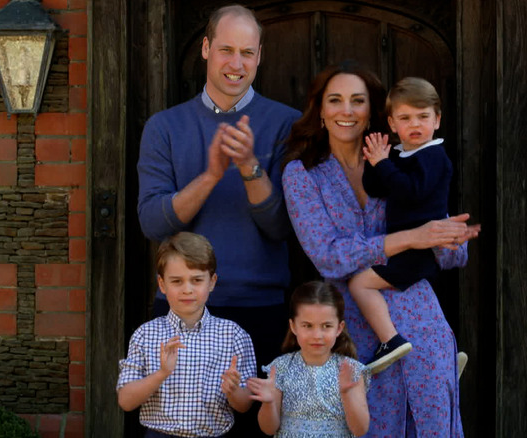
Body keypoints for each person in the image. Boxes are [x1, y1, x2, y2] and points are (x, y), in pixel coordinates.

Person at [281, 61, 478, 437]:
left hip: (421, 318)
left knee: (432, 424)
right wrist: (409, 238)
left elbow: (449, 249)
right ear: (320, 111)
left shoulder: (403, 159)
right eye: (335, 100)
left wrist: (450, 239)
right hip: (352, 325)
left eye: (358, 101)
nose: (347, 110)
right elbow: (328, 255)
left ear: (372, 111)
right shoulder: (303, 174)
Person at [136, 5, 300, 436]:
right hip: (182, 312)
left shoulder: (288, 125)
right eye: (226, 49)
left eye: (247, 52)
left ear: (260, 56)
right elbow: (153, 223)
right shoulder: (164, 127)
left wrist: (248, 167)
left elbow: (285, 226)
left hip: (260, 311)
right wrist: (210, 175)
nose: (236, 63)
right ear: (206, 48)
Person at [348, 77, 478, 374]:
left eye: (423, 117)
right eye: (406, 118)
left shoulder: (434, 157)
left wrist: (384, 163)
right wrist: (375, 160)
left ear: (437, 120)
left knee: (360, 283)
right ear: (393, 124)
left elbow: (410, 191)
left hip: (419, 249)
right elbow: (376, 187)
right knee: (420, 307)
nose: (415, 124)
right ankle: (444, 359)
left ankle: (389, 341)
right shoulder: (400, 154)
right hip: (407, 244)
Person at [117, 232, 256, 438]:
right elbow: (126, 401)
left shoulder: (234, 335)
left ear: (212, 282)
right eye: (177, 281)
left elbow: (245, 406)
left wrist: (233, 391)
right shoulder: (146, 335)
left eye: (197, 280)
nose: (187, 289)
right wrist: (161, 374)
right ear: (162, 284)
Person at [247, 281, 370, 437]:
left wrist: (347, 395)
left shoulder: (350, 370)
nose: (317, 335)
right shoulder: (280, 367)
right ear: (293, 326)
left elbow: (360, 430)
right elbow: (269, 429)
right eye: (307, 325)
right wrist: (269, 403)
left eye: (326, 326)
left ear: (339, 328)